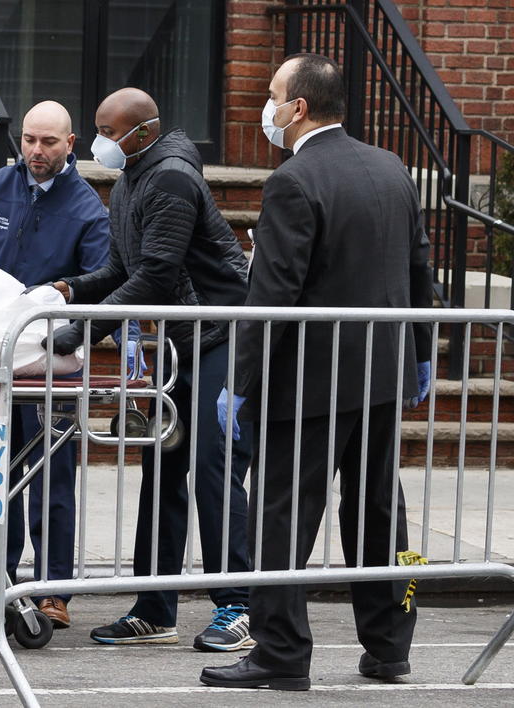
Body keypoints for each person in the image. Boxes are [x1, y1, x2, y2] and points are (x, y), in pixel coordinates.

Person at [201, 54, 434, 691]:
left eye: (272, 95)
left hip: (308, 384)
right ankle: (390, 646)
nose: (267, 107)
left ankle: (280, 654)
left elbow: (272, 296)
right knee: (379, 511)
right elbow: (419, 269)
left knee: (282, 515)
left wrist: (239, 384)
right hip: (381, 377)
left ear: (298, 107)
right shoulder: (390, 167)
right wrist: (420, 351)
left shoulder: (293, 180)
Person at [45, 88, 255, 651]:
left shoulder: (170, 179)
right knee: (162, 467)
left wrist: (82, 331)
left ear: (143, 132)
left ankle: (239, 604)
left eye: (109, 133)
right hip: (185, 340)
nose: (100, 143)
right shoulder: (131, 179)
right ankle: (155, 608)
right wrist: (69, 290)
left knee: (213, 467)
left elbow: (156, 274)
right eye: (98, 130)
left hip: (223, 336)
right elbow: (121, 268)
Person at [0, 100, 113, 629]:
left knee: (53, 476)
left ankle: (53, 590)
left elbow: (101, 285)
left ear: (70, 145)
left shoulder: (88, 209)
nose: (35, 150)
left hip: (52, 362)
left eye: (48, 142)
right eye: (29, 139)